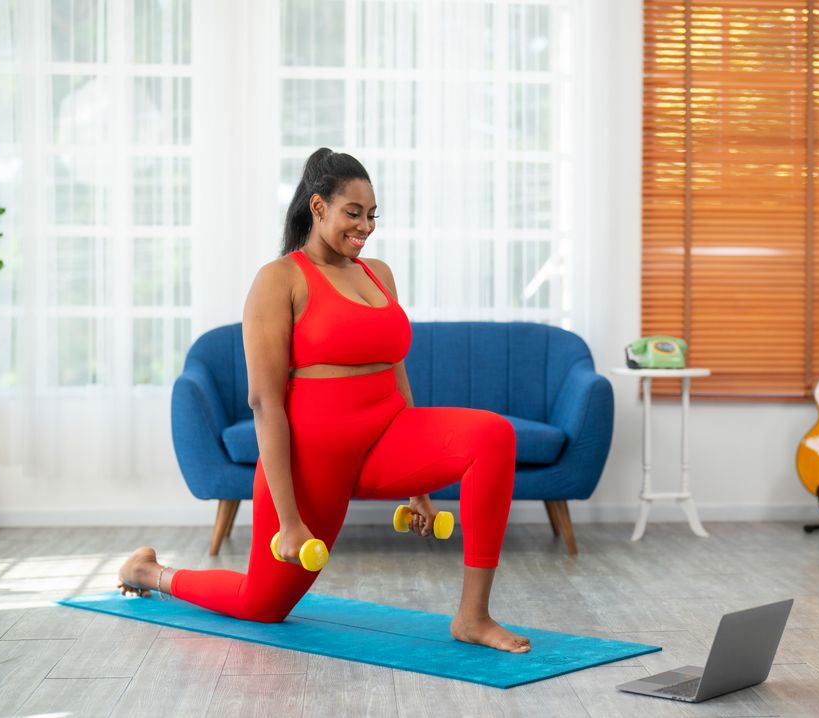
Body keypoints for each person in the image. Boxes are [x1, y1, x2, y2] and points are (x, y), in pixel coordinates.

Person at [117, 148, 530, 653]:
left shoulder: (378, 273)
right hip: (314, 460)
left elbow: (395, 370)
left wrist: (420, 484)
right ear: (318, 208)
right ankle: (150, 572)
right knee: (261, 606)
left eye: (372, 214)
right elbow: (265, 403)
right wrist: (290, 522)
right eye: (352, 213)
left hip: (386, 436)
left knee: (493, 435)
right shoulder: (280, 279)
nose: (365, 227)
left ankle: (473, 617)